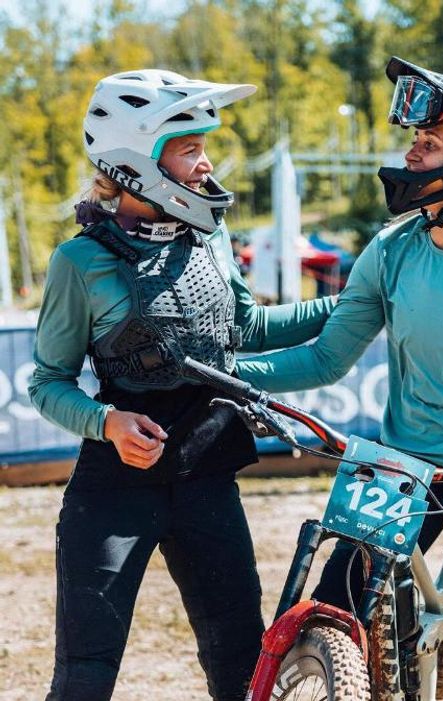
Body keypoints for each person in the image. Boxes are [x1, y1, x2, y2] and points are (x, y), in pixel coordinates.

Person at [236, 57, 443, 700]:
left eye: (430, 142)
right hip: (403, 460)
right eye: (415, 140)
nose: (412, 155)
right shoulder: (391, 250)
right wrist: (233, 375)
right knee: (339, 605)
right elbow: (326, 356)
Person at [29, 70, 337, 701]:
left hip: (208, 481)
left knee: (242, 668)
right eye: (191, 149)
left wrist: (353, 305)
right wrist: (106, 423)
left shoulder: (213, 237)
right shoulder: (78, 262)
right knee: (85, 674)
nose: (207, 163)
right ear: (137, 162)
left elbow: (246, 328)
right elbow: (47, 382)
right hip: (113, 491)